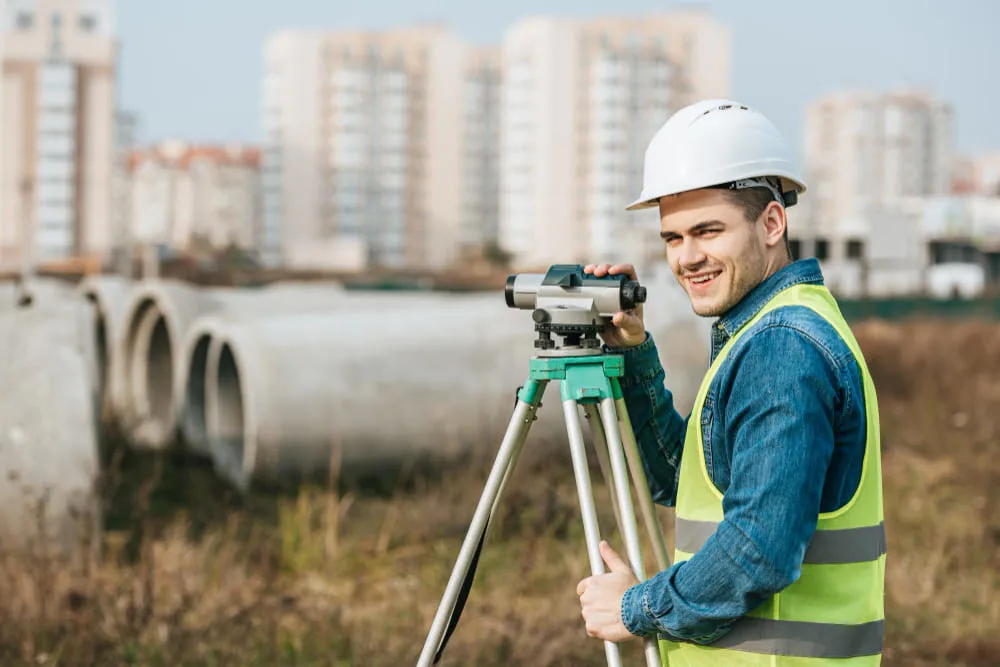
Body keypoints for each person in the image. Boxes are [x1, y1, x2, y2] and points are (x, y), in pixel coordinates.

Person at [574, 99, 886, 666]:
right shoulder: (771, 329)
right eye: (673, 238)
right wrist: (635, 353)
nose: (687, 258)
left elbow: (757, 552)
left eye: (708, 231)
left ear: (772, 222)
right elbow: (681, 480)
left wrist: (634, 608)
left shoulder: (782, 348)